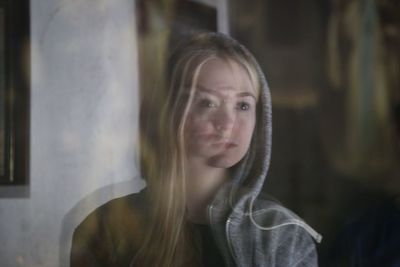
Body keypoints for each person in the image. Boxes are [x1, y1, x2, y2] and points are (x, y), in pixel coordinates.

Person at [70, 32, 322, 267]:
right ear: (168, 111)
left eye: (243, 105)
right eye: (207, 102)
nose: (227, 123)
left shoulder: (283, 236)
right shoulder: (107, 228)